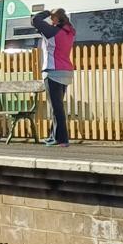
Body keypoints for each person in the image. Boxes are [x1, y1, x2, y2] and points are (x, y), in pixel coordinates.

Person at [31, 8, 75, 146]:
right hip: (66, 72)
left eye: (53, 18)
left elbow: (35, 20)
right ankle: (53, 135)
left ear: (57, 18)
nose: (51, 20)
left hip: (53, 71)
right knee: (57, 106)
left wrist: (47, 12)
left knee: (56, 107)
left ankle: (62, 139)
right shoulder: (69, 31)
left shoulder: (53, 31)